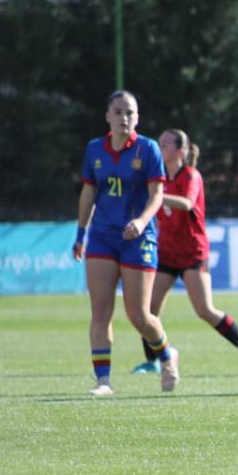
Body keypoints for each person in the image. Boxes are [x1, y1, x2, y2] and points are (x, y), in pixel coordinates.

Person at [130, 129, 238, 375]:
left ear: (180, 151)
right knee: (147, 310)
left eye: (166, 144)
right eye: (159, 143)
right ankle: (154, 361)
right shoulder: (158, 180)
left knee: (204, 309)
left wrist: (157, 198)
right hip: (167, 253)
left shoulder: (191, 176)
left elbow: (187, 204)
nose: (160, 148)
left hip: (193, 252)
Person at [72, 90, 179, 396]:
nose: (124, 118)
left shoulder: (147, 149)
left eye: (130, 113)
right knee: (100, 312)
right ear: (107, 116)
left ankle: (167, 355)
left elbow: (157, 195)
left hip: (138, 239)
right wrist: (81, 235)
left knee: (139, 315)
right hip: (103, 237)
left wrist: (142, 222)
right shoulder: (95, 150)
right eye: (118, 112)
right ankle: (103, 381)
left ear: (137, 118)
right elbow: (88, 194)